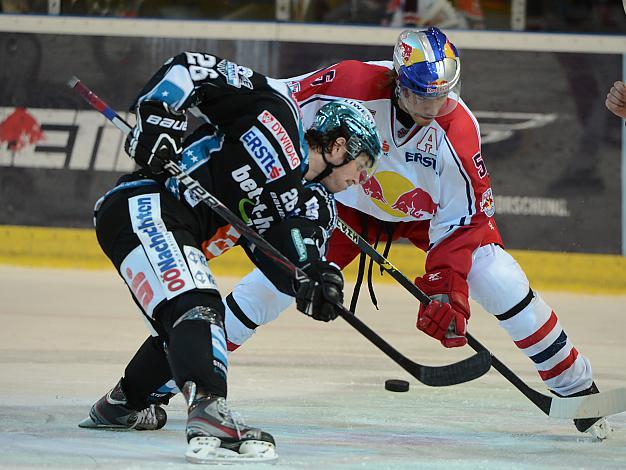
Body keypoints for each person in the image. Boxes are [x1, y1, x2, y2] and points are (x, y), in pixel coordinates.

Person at [217, 27, 610, 440]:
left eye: (440, 95)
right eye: (421, 95)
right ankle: (175, 371)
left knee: (499, 278)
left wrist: (446, 291)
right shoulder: (352, 84)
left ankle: (578, 388)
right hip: (345, 203)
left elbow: (466, 220)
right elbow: (278, 100)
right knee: (275, 281)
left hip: (426, 217)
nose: (431, 107)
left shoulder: (457, 132)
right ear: (398, 81)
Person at [77, 50, 382, 464]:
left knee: (191, 316)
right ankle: (209, 410)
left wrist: (312, 278)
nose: (359, 181)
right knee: (197, 303)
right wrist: (158, 119)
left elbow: (291, 251)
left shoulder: (314, 205)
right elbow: (191, 68)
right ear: (339, 146)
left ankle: (123, 402)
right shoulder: (275, 116)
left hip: (178, 231)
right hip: (145, 203)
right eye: (361, 167)